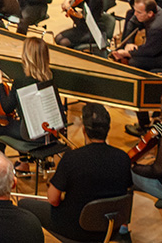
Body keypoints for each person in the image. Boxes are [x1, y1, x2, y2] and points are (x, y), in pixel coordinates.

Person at [17, 103, 132, 242]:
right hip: (109, 228)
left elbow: (53, 199)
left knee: (24, 205)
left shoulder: (72, 159)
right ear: (108, 129)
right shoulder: (123, 158)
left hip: (76, 229)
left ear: (84, 130)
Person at [0, 37, 54, 173]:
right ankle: (24, 162)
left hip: (32, 136)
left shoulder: (21, 81)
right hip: (50, 134)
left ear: (26, 57)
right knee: (21, 121)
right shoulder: (50, 78)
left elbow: (7, 107)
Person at [110, 0, 162, 71]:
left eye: (139, 12)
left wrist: (129, 53)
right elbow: (132, 23)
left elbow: (150, 51)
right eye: (135, 10)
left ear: (150, 13)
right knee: (129, 14)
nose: (135, 14)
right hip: (156, 47)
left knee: (134, 62)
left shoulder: (157, 27)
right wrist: (129, 43)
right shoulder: (150, 9)